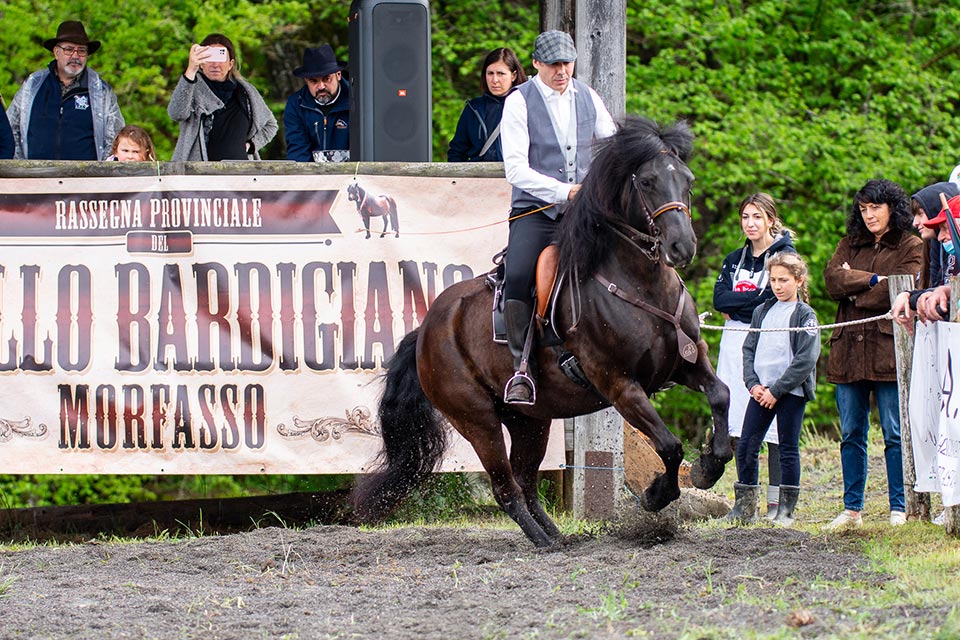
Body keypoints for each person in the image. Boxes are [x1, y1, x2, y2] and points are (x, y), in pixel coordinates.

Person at [499, 30, 616, 404]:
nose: (563, 71)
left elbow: (611, 146)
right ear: (535, 64)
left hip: (583, 212)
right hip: (535, 210)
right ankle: (521, 368)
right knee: (517, 274)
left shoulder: (588, 96)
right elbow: (515, 170)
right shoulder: (519, 101)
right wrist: (564, 191)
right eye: (553, 65)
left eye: (567, 62)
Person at [823, 178, 923, 529]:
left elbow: (900, 289)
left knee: (895, 433)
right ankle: (852, 509)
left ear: (892, 208)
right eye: (863, 209)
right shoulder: (848, 243)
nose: (869, 215)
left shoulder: (911, 244)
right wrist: (872, 280)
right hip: (848, 350)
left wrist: (860, 285)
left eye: (875, 208)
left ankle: (900, 506)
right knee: (851, 432)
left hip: (889, 351)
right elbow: (832, 281)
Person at [713, 193, 796, 518]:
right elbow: (720, 299)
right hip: (735, 347)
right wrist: (740, 304)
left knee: (774, 425)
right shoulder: (735, 258)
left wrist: (740, 306)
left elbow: (773, 299)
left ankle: (778, 504)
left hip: (772, 342)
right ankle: (745, 504)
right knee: (741, 426)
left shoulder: (784, 255)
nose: (750, 223)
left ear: (770, 220)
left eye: (757, 217)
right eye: (745, 217)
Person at [726, 253, 819, 527]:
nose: (777, 286)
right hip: (761, 391)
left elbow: (806, 359)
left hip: (789, 392)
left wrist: (776, 390)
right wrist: (753, 384)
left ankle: (786, 511)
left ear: (799, 281)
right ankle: (745, 507)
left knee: (788, 448)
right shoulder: (762, 311)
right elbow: (749, 349)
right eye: (774, 280)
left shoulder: (805, 314)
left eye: (784, 280)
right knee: (746, 446)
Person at [6, 21, 124, 160]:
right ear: (56, 52)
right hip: (35, 177)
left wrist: (100, 172)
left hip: (85, 178)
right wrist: (21, 169)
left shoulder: (100, 90)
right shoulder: (33, 84)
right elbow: (10, 128)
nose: (75, 56)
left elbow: (115, 137)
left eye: (81, 51)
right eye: (69, 49)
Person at [168, 34, 277, 161]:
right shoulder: (191, 87)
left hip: (242, 175)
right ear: (201, 63)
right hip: (200, 176)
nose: (215, 64)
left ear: (231, 64)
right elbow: (176, 114)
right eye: (209, 58)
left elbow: (271, 125)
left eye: (220, 58)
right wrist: (191, 69)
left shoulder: (247, 92)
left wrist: (251, 146)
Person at [891, 182, 960, 328]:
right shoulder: (936, 244)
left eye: (920, 213)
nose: (915, 223)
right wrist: (912, 296)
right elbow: (940, 290)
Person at [447, 47, 527, 162]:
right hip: (478, 177)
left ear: (513, 76)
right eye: (490, 73)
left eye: (501, 74)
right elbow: (457, 152)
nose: (495, 80)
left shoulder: (527, 106)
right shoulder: (473, 108)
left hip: (515, 177)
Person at [284, 45, 350, 162]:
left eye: (326, 79)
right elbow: (298, 153)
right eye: (313, 81)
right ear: (306, 80)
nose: (321, 86)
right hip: (312, 176)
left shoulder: (356, 100)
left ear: (338, 75)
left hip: (354, 174)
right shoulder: (296, 104)